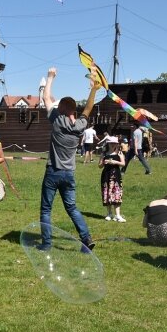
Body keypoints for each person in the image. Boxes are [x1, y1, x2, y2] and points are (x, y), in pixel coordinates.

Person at [39, 67, 100, 250]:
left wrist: (50, 77)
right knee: (72, 208)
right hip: (69, 174)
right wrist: (94, 89)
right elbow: (88, 108)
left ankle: (47, 244)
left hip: (53, 171)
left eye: (60, 107)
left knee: (46, 209)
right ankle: (86, 239)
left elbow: (46, 98)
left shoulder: (57, 121)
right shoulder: (81, 125)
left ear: (63, 109)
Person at [98, 136, 126, 222]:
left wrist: (115, 162)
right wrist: (103, 162)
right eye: (111, 143)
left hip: (116, 176)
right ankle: (109, 214)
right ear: (108, 144)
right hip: (106, 175)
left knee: (116, 194)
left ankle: (117, 215)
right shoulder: (104, 153)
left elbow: (123, 164)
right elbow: (99, 166)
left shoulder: (119, 153)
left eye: (115, 143)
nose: (113, 145)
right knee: (107, 193)